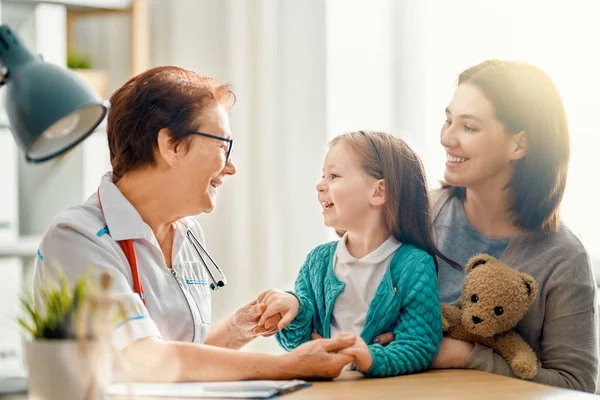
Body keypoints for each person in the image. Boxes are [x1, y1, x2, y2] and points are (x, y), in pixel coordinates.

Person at [34, 66, 357, 382]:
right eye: (222, 145)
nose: (230, 168)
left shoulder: (187, 233)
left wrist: (238, 328)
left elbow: (184, 360)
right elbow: (140, 359)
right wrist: (289, 367)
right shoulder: (76, 237)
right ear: (171, 145)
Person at [430, 60, 597, 392]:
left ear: (519, 145)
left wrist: (466, 356)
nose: (447, 138)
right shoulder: (419, 213)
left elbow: (575, 385)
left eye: (469, 127)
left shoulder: (563, 258)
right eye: (448, 120)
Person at [253, 131, 456, 378]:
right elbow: (299, 345)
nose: (320, 185)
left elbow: (420, 344)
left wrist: (370, 358)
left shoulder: (413, 265)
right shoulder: (318, 261)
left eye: (334, 176)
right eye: (322, 176)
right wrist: (293, 309)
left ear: (378, 192)